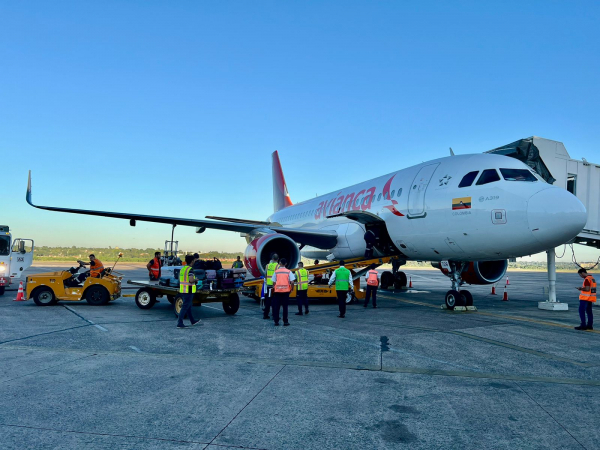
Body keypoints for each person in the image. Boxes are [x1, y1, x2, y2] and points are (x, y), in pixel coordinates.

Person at [177, 254, 202, 329]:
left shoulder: (183, 269)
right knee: (185, 306)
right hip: (188, 290)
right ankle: (180, 322)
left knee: (188, 306)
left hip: (183, 290)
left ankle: (192, 320)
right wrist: (196, 280)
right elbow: (191, 280)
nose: (194, 261)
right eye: (194, 260)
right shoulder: (190, 270)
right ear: (192, 261)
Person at [272, 258, 295, 326]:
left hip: (277, 291)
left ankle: (276, 321)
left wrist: (275, 288)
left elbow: (274, 282)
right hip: (286, 291)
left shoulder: (276, 272)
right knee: (285, 307)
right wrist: (291, 289)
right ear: (286, 264)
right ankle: (285, 321)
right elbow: (292, 282)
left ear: (279, 263)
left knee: (277, 307)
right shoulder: (288, 272)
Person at [263, 254, 279, 319]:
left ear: (272, 258)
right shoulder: (278, 266)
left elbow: (265, 274)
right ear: (278, 259)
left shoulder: (267, 265)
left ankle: (265, 314)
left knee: (268, 300)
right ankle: (274, 315)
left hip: (269, 286)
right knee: (275, 301)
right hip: (275, 286)